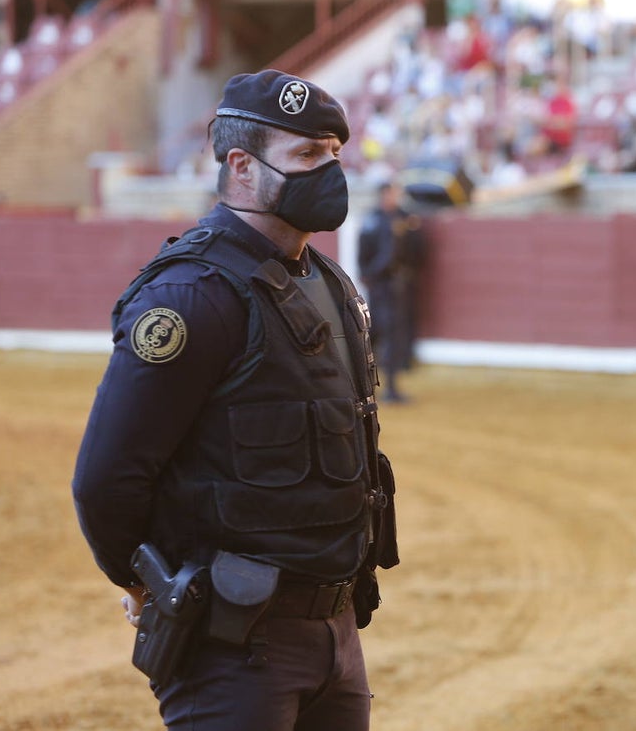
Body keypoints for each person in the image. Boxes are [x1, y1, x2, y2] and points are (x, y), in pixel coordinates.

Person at [72, 69, 399, 730]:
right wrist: (140, 581)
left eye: (334, 153)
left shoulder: (332, 285)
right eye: (307, 155)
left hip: (336, 630)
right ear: (242, 167)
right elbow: (107, 477)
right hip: (232, 644)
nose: (329, 170)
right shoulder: (192, 294)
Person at [358, 180, 428, 403]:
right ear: (383, 195)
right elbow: (364, 252)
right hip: (380, 284)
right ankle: (376, 386)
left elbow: (419, 249)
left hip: (399, 283)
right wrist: (368, 274)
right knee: (380, 332)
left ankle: (390, 386)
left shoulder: (405, 218)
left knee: (392, 333)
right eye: (391, 194)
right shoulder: (374, 220)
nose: (394, 198)